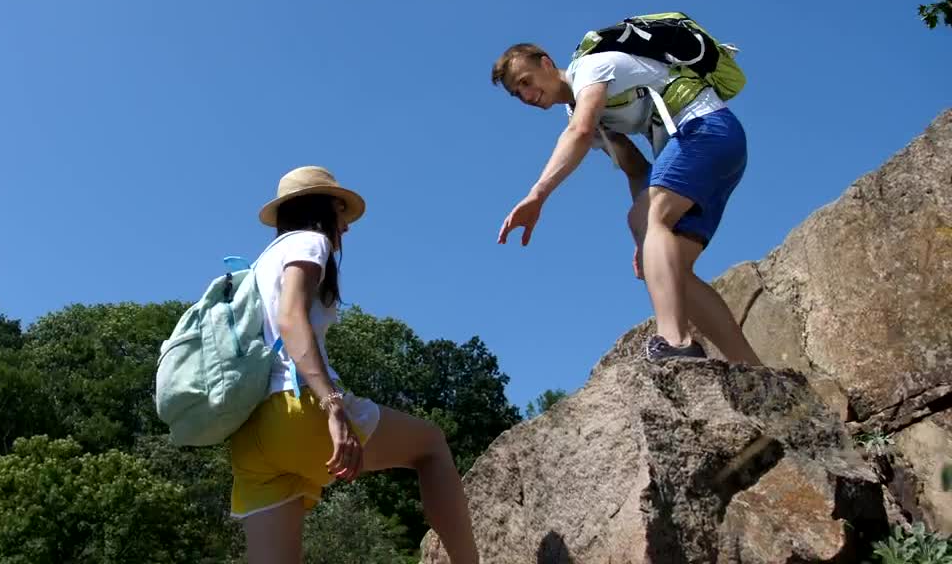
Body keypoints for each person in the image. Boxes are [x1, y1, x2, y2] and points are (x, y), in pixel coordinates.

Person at [229, 165, 480, 564]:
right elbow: (291, 318)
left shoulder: (259, 265)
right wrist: (333, 406)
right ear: (322, 208)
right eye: (340, 212)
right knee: (431, 446)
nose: (345, 226)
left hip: (251, 434)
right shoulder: (310, 242)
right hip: (295, 409)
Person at [489, 41, 763, 365]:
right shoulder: (577, 108)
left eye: (526, 81)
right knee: (667, 266)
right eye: (517, 93)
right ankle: (751, 368)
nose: (525, 95)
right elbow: (634, 168)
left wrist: (538, 194)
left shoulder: (590, 69)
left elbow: (580, 131)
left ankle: (675, 342)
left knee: (649, 221)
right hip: (715, 149)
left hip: (703, 129)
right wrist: (647, 237)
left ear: (546, 63)